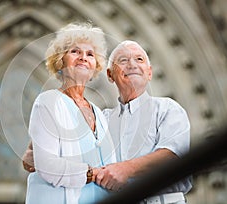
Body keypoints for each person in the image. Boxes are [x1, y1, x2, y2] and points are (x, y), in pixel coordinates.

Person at [23, 40, 192, 204]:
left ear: (149, 72)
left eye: (139, 59)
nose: (132, 64)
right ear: (110, 75)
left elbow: (174, 155)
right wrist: (37, 150)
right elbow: (58, 144)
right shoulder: (101, 119)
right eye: (123, 60)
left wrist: (126, 169)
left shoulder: (168, 109)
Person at [24, 22, 116, 204]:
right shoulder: (48, 102)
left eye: (90, 54)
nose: (83, 57)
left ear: (95, 66)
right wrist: (92, 173)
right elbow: (47, 165)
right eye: (75, 51)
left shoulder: (98, 113)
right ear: (61, 61)